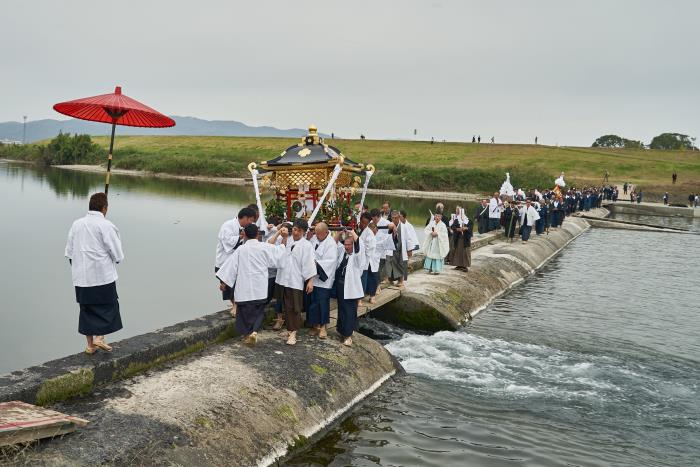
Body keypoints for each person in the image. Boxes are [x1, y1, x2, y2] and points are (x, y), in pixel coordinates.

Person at [65, 192, 124, 354]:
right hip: (102, 277)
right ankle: (100, 338)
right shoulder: (106, 225)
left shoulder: (76, 224)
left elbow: (69, 252)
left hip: (81, 279)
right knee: (108, 306)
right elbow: (117, 254)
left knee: (87, 310)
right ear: (104, 208)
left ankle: (90, 346)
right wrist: (116, 259)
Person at [216, 224, 284, 345]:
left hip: (245, 288)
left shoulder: (241, 250)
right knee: (258, 311)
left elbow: (230, 268)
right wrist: (285, 238)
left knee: (244, 313)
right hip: (260, 287)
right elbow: (280, 253)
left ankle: (248, 334)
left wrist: (223, 283)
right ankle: (254, 332)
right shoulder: (264, 247)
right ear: (257, 234)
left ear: (245, 235)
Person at [273, 219, 316, 345]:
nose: (295, 232)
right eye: (295, 229)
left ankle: (293, 333)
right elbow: (280, 253)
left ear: (303, 232)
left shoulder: (306, 245)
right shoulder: (289, 240)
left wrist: (310, 281)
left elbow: (309, 264)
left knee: (295, 307)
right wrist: (284, 237)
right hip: (283, 278)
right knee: (285, 305)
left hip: (295, 280)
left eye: (298, 230)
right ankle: (289, 329)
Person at [215, 207, 256, 317]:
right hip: (224, 261)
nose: (251, 223)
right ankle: (235, 306)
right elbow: (227, 243)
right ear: (245, 218)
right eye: (250, 220)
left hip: (237, 263)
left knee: (238, 284)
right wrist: (240, 236)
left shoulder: (245, 228)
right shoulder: (227, 226)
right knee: (228, 286)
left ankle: (236, 306)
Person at [307, 222, 338, 339]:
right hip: (313, 277)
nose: (317, 236)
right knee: (313, 302)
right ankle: (314, 326)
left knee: (323, 302)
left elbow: (331, 261)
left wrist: (316, 263)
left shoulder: (331, 243)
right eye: (316, 233)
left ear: (326, 232)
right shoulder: (314, 239)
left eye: (319, 234)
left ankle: (323, 327)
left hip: (324, 277)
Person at [334, 230, 365, 346]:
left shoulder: (357, 257)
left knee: (349, 311)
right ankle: (341, 331)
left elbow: (360, 246)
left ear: (353, 245)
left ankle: (348, 335)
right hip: (340, 285)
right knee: (341, 309)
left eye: (349, 245)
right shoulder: (343, 252)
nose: (346, 247)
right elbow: (334, 245)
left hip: (351, 288)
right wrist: (340, 233)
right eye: (345, 244)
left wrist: (353, 233)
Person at [385, 211, 409, 287]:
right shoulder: (389, 225)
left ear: (399, 217)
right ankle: (390, 279)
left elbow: (408, 239)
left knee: (400, 263)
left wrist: (409, 250)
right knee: (389, 263)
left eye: (396, 218)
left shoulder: (404, 226)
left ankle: (401, 281)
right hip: (391, 248)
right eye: (393, 218)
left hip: (401, 248)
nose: (394, 219)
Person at [399, 210, 420, 283]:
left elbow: (411, 238)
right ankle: (401, 279)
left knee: (405, 262)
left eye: (400, 217)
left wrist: (410, 250)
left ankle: (403, 280)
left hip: (407, 247)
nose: (399, 218)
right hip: (400, 247)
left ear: (404, 217)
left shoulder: (409, 226)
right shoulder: (399, 225)